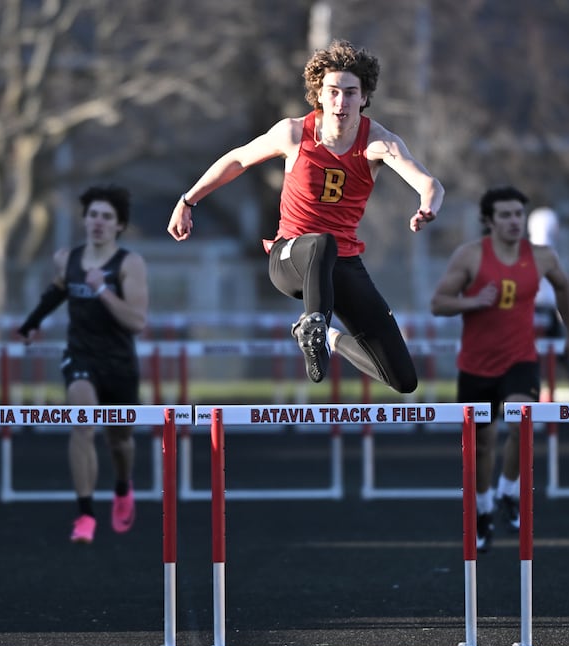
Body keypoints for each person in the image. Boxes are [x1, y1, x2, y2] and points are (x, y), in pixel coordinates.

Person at [167, 39, 444, 392]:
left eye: (350, 93)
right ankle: (313, 323)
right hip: (289, 257)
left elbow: (429, 182)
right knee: (320, 244)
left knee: (403, 379)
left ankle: (325, 337)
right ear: (319, 94)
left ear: (364, 96)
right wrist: (188, 200)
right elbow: (237, 159)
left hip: (342, 264)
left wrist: (427, 207)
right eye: (332, 92)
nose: (340, 102)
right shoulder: (294, 133)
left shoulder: (379, 142)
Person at [430, 186, 569, 552]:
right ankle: (483, 511)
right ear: (488, 221)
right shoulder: (470, 257)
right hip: (476, 365)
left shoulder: (542, 257)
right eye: (505, 215)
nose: (514, 221)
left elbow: (563, 288)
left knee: (521, 424)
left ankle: (509, 492)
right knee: (481, 444)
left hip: (520, 360)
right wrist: (472, 301)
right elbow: (439, 304)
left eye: (519, 214)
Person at [17, 185, 147, 544]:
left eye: (106, 217)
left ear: (118, 225)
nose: (98, 223)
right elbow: (58, 289)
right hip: (81, 356)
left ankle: (122, 487)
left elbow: (137, 321)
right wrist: (31, 324)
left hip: (119, 362)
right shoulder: (67, 259)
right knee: (82, 423)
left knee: (119, 442)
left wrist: (102, 289)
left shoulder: (128, 264)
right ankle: (85, 514)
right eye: (93, 215)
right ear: (84, 220)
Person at [528, 206, 569, 400]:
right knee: (549, 356)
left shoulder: (539, 247)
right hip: (538, 311)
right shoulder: (543, 248)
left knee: (556, 355)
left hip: (543, 310)